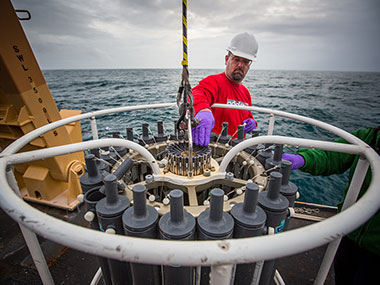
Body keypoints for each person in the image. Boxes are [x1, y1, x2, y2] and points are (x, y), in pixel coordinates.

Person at [283, 126, 380, 285]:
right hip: (350, 227)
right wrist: (304, 158)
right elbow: (332, 155)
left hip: (376, 247)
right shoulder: (369, 137)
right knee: (343, 272)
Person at [191, 32, 258, 146]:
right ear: (227, 59)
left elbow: (247, 116)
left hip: (236, 150)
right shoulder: (213, 82)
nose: (240, 65)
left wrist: (253, 122)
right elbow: (195, 94)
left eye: (245, 61)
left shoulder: (245, 93)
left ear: (249, 65)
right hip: (211, 147)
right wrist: (203, 110)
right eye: (236, 59)